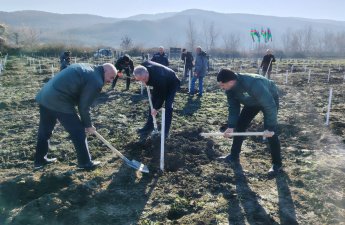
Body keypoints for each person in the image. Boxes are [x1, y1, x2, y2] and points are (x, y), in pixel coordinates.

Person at [34, 63, 117, 170]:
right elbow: (84, 106)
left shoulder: (87, 68)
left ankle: (39, 161)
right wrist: (88, 125)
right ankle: (85, 163)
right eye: (111, 77)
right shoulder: (96, 80)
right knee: (78, 132)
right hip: (60, 100)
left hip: (45, 96)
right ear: (105, 71)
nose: (110, 81)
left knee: (45, 131)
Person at [216, 69, 282, 176]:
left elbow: (269, 105)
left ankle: (277, 164)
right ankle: (234, 155)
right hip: (251, 101)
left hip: (269, 99)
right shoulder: (230, 89)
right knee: (240, 125)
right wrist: (231, 126)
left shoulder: (253, 83)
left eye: (222, 85)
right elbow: (233, 107)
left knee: (271, 132)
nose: (221, 88)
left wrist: (270, 127)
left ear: (231, 82)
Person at [134, 61, 180, 137]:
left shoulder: (158, 77)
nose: (143, 82)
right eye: (140, 80)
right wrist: (144, 80)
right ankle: (149, 126)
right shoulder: (141, 68)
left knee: (168, 105)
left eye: (144, 79)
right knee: (152, 103)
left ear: (147, 73)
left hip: (172, 82)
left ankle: (165, 131)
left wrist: (156, 108)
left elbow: (162, 95)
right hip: (159, 82)